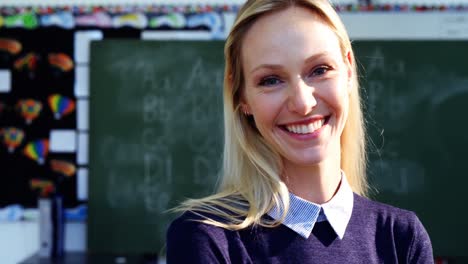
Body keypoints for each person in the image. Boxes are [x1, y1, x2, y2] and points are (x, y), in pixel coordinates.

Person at [166, 0, 434, 263]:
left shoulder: (402, 238)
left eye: (320, 70)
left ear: (349, 71)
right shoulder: (207, 238)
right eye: (271, 80)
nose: (303, 103)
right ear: (242, 97)